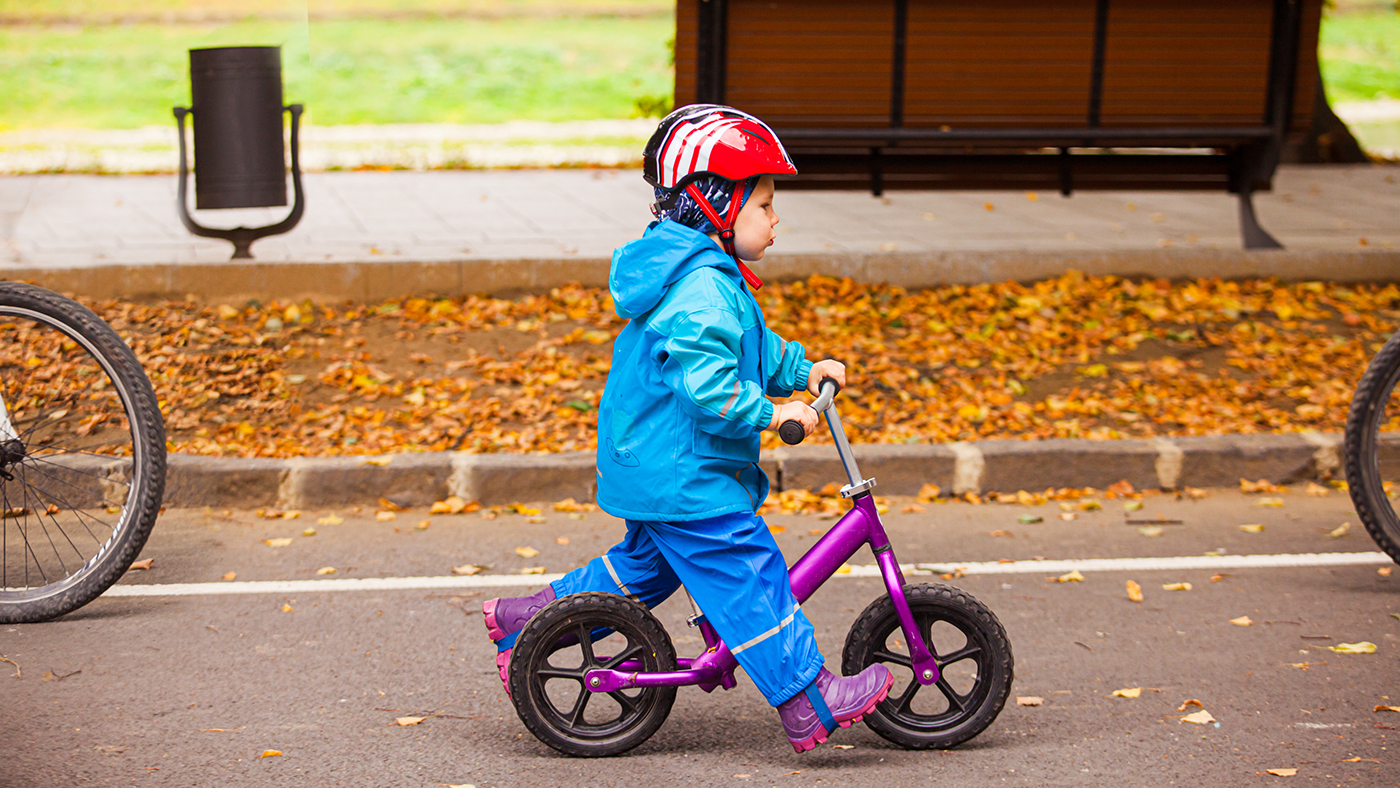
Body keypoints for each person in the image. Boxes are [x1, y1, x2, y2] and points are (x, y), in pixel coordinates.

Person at [482, 105, 892, 753]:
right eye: (763, 203)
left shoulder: (704, 276)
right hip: (685, 471)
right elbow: (711, 389)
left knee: (645, 570)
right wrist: (774, 413)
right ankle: (809, 701)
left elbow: (742, 349)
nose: (775, 218)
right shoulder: (700, 285)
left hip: (657, 462)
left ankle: (525, 622)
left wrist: (800, 367)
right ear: (716, 204)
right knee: (747, 571)